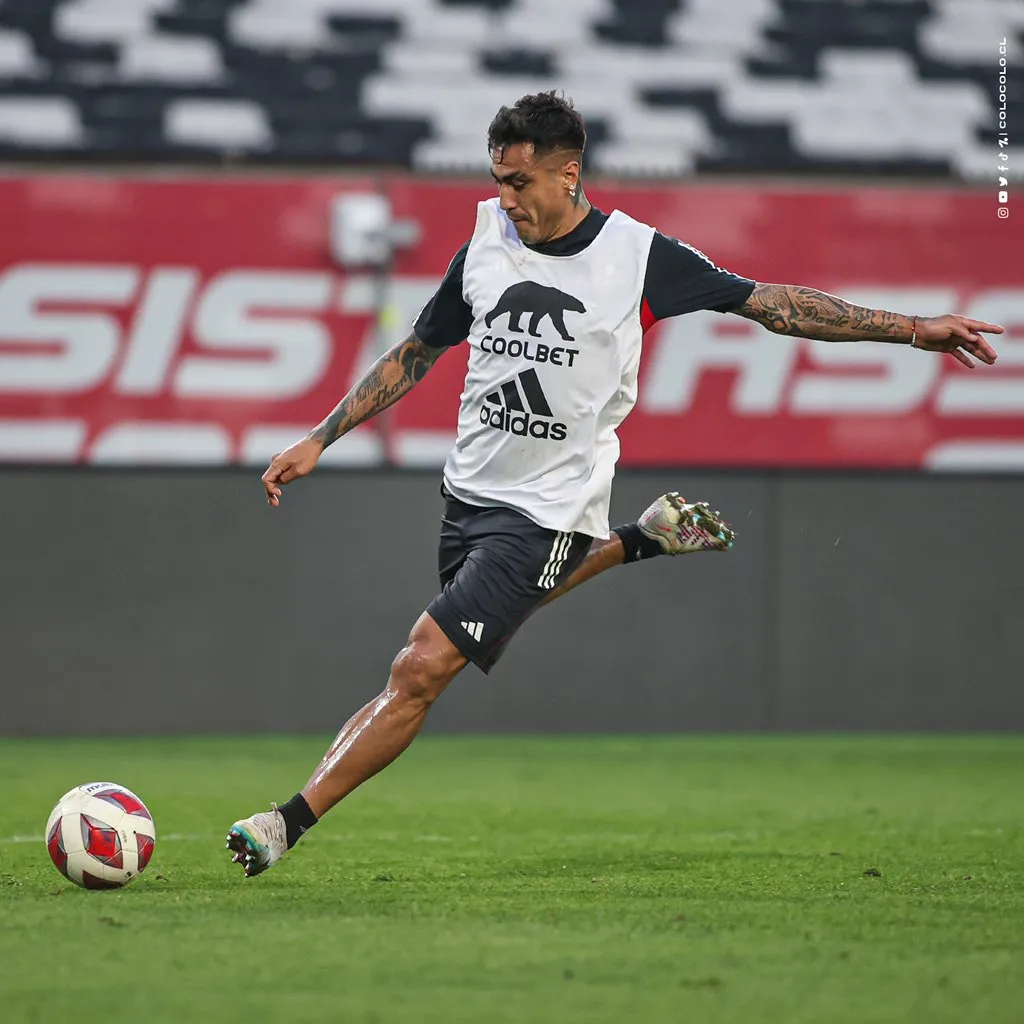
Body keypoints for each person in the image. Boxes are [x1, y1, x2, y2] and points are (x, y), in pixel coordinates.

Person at [227, 91, 1002, 877]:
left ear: (570, 174)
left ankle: (285, 823)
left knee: (420, 667)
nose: (506, 198)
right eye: (498, 180)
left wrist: (911, 329)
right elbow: (418, 352)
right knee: (498, 611)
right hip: (470, 495)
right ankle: (643, 538)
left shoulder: (641, 258)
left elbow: (774, 305)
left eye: (521, 183)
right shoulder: (486, 245)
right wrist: (322, 436)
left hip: (551, 505)